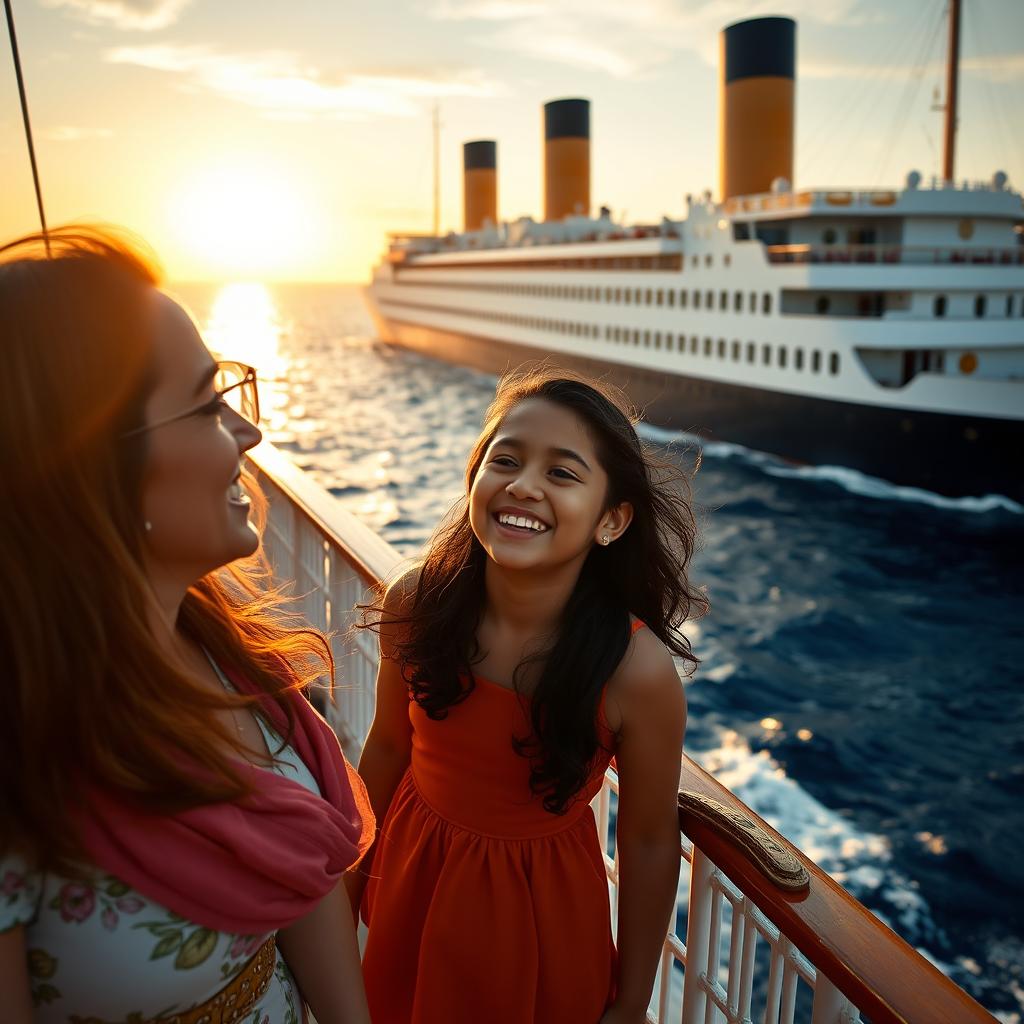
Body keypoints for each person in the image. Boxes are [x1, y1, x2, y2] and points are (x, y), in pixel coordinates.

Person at [0, 227, 374, 1023]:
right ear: (94, 468)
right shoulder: (24, 754)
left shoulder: (224, 651)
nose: (249, 433)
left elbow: (296, 880)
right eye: (208, 405)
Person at [349, 368, 707, 1023]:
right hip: (414, 881)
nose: (522, 485)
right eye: (505, 460)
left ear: (611, 520)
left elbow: (650, 839)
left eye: (562, 473)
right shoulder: (416, 603)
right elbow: (388, 747)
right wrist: (344, 890)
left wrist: (632, 1000)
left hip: (540, 917)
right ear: (474, 478)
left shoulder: (635, 672)